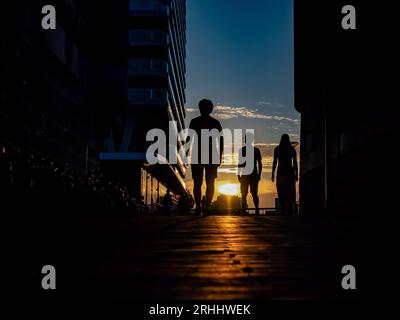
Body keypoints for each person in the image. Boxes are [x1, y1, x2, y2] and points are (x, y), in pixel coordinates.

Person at [188, 99, 224, 216]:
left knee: (199, 182)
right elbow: (221, 140)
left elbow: (189, 139)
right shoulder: (215, 122)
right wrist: (220, 156)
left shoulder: (195, 121)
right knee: (209, 182)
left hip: (200, 155)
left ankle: (200, 207)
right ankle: (206, 207)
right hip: (210, 155)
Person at [271, 134, 298, 215]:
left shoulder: (278, 149)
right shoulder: (291, 149)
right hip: (288, 171)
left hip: (283, 172)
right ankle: (287, 209)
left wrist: (272, 173)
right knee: (288, 191)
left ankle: (285, 209)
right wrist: (296, 174)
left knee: (282, 191)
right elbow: (295, 163)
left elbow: (275, 162)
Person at [237, 132, 262, 215]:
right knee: (252, 193)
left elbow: (240, 163)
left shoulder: (243, 150)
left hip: (248, 174)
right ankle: (255, 210)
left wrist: (238, 175)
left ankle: (246, 210)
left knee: (246, 194)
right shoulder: (255, 150)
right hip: (252, 174)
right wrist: (259, 175)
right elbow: (259, 164)